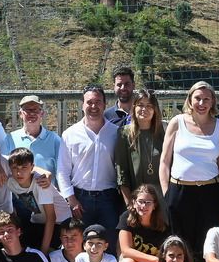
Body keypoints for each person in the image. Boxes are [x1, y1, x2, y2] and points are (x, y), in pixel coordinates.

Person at [161, 80, 219, 255]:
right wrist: (167, 193)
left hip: (210, 193)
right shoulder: (177, 122)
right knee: (179, 246)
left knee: (208, 247)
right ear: (190, 100)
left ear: (213, 101)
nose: (202, 103)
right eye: (198, 98)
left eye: (206, 99)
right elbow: (165, 161)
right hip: (180, 192)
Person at [63, 85, 124, 232]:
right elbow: (62, 170)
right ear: (82, 105)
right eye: (89, 102)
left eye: (98, 102)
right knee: (81, 244)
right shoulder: (70, 134)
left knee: (110, 242)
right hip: (80, 200)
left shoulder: (116, 133)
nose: (93, 106)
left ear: (104, 104)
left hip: (109, 199)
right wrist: (71, 199)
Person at [7, 147, 71, 253]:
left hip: (60, 223)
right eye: (15, 168)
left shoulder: (41, 183)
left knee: (46, 252)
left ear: (32, 167)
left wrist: (44, 250)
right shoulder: (11, 182)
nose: (19, 172)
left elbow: (51, 217)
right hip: (38, 221)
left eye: (24, 167)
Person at [117, 183, 168, 262]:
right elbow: (125, 250)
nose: (143, 206)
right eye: (140, 201)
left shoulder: (164, 224)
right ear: (134, 202)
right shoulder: (126, 218)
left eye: (148, 202)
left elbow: (164, 259)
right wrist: (154, 259)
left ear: (155, 205)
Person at [10, 95, 70, 195]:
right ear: (20, 113)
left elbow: (62, 171)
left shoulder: (55, 140)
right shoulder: (10, 139)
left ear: (42, 113)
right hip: (18, 197)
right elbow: (5, 167)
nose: (32, 113)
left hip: (48, 197)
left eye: (36, 110)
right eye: (27, 110)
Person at [114, 88, 165, 206]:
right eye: (140, 105)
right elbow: (121, 173)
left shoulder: (163, 133)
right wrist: (129, 205)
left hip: (160, 200)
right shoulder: (124, 134)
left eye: (149, 106)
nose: (144, 109)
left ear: (155, 110)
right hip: (135, 201)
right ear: (134, 107)